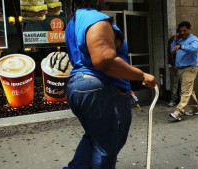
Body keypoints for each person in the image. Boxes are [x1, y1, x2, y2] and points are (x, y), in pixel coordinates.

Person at [63, 0, 157, 168]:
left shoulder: (75, 21)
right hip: (101, 87)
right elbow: (105, 61)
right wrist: (142, 75)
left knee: (95, 139)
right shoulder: (96, 19)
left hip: (80, 86)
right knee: (107, 147)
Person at [169, 21, 198, 121]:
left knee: (185, 91)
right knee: (189, 90)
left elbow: (195, 49)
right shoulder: (180, 40)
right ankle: (195, 109)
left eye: (185, 30)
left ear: (189, 29)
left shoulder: (194, 39)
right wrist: (175, 41)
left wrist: (181, 46)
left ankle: (179, 112)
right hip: (181, 69)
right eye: (181, 31)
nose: (182, 33)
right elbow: (172, 50)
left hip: (190, 68)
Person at [167, 28, 180, 107]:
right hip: (174, 65)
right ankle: (173, 99)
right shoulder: (172, 40)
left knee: (183, 84)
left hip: (183, 65)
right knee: (174, 84)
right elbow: (170, 53)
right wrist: (173, 64)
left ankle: (181, 99)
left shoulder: (184, 40)